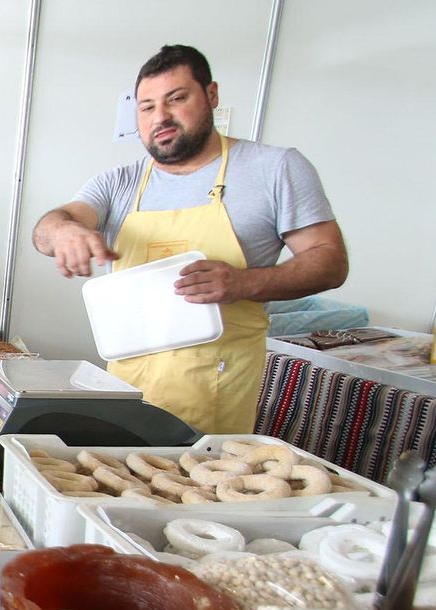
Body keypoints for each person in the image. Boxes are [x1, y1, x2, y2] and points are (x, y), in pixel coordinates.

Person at [32, 44, 347, 436]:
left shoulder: (274, 168)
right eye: (146, 107)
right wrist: (65, 231)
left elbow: (330, 260)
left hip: (217, 390)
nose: (160, 117)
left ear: (211, 95)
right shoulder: (120, 183)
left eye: (176, 99)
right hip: (128, 390)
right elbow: (46, 230)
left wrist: (244, 283)